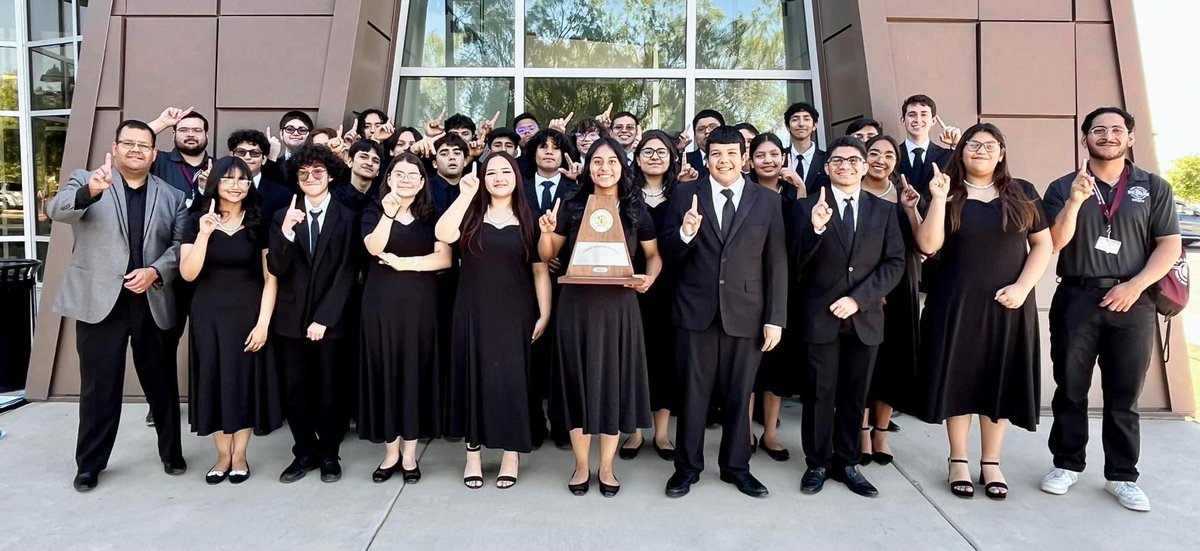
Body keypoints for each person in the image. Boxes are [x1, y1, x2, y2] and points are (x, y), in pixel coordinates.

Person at [1040, 107, 1181, 512]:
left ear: (1130, 138)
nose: (1108, 136)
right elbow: (1055, 242)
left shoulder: (1152, 187)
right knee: (1070, 387)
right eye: (1098, 130)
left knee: (1124, 392)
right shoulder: (1063, 185)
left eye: (1116, 130)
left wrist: (1135, 286)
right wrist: (1074, 202)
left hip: (1134, 300)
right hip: (1077, 296)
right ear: (1084, 139)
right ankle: (1067, 463)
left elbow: (1169, 245)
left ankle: (1122, 475)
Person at [46, 120, 189, 491]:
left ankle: (171, 453)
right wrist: (90, 192)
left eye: (144, 145)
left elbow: (180, 246)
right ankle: (90, 465)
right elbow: (56, 209)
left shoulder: (172, 195)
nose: (136, 149)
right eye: (129, 142)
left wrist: (156, 272)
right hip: (100, 301)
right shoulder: (88, 179)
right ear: (115, 147)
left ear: (154, 154)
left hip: (151, 301)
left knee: (161, 384)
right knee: (99, 386)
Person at [912, 124, 1052, 500]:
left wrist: (1024, 288)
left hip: (1008, 304)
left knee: (998, 380)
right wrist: (938, 199)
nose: (980, 151)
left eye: (989, 146)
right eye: (973, 145)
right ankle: (958, 458)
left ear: (1002, 152)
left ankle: (991, 461)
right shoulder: (946, 190)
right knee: (959, 378)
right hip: (955, 303)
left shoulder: (1022, 192)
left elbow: (1043, 244)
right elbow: (927, 246)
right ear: (961, 151)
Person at [661, 126, 788, 499]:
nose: (724, 161)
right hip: (694, 312)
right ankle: (686, 467)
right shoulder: (685, 194)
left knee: (739, 394)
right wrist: (685, 232)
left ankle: (736, 467)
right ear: (706, 155)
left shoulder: (766, 200)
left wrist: (775, 317)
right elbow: (669, 254)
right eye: (716, 153)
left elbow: (776, 262)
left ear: (744, 157)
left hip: (746, 313)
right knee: (692, 394)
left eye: (732, 153)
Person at [538, 137, 661, 497]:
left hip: (620, 309)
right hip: (575, 307)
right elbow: (547, 255)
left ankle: (606, 467)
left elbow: (653, 256)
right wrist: (546, 234)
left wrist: (648, 278)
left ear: (623, 167)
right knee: (578, 385)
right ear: (587, 166)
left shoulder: (636, 209)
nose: (604, 168)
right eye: (596, 161)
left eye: (611, 162)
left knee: (613, 385)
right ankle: (580, 465)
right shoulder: (572, 206)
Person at [793, 136, 905, 498]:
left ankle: (848, 462)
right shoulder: (806, 207)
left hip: (864, 317)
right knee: (818, 394)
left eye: (853, 160)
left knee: (856, 395)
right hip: (819, 317)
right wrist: (816, 228)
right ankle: (818, 462)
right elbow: (793, 263)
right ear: (826, 168)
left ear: (864, 165)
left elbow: (895, 263)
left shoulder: (885, 210)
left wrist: (859, 300)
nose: (846, 166)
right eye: (838, 160)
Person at [436, 152, 552, 490]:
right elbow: (443, 233)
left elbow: (540, 268)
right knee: (473, 379)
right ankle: (472, 453)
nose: (498, 177)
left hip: (516, 312)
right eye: (491, 173)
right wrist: (466, 193)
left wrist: (544, 312)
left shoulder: (529, 218)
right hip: (472, 310)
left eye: (505, 171)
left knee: (511, 382)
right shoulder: (471, 213)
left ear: (517, 176)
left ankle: (510, 453)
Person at [179, 156, 283, 485]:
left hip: (248, 313)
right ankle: (222, 455)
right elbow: (187, 273)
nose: (237, 186)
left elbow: (271, 279)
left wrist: (264, 323)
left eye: (243, 180)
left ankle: (240, 455)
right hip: (208, 313)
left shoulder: (258, 223)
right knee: (214, 380)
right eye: (229, 179)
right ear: (216, 183)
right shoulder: (195, 220)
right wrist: (205, 235)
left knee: (243, 383)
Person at [359, 153, 452, 483]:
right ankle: (390, 454)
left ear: (424, 181)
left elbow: (444, 258)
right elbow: (373, 247)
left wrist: (405, 263)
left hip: (421, 306)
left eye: (414, 174)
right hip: (381, 305)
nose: (406, 178)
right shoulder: (373, 210)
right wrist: (389, 213)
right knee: (386, 373)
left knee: (414, 374)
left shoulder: (432, 215)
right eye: (399, 173)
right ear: (388, 178)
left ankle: (410, 455)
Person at [268, 145, 357, 484]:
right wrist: (286, 232)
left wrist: (325, 318)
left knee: (331, 391)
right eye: (303, 173)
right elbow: (276, 266)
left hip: (331, 321)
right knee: (296, 390)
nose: (310, 178)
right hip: (290, 320)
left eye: (318, 171)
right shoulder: (282, 215)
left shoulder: (346, 215)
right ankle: (304, 451)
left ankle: (330, 453)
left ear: (331, 175)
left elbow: (347, 271)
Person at [859, 135, 923, 466]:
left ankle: (881, 432)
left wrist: (912, 210)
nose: (880, 159)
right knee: (864, 364)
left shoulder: (905, 195)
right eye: (874, 153)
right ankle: (862, 430)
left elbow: (925, 245)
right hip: (861, 290)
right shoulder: (852, 192)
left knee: (893, 364)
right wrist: (869, 291)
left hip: (901, 288)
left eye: (888, 155)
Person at [619, 131, 682, 462]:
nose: (655, 157)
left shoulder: (684, 195)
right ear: (637, 157)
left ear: (672, 157)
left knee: (665, 358)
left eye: (662, 151)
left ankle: (660, 433)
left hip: (672, 288)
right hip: (630, 288)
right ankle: (635, 431)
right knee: (635, 356)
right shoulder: (625, 197)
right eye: (648, 151)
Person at [746, 132, 803, 461]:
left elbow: (807, 236)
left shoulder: (794, 195)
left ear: (784, 157)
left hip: (786, 287)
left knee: (777, 366)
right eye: (761, 155)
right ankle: (744, 431)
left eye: (774, 154)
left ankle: (770, 433)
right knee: (749, 365)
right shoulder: (746, 194)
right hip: (750, 287)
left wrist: (803, 190)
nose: (768, 160)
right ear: (750, 161)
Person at [521, 127, 579, 449]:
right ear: (533, 154)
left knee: (563, 358)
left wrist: (559, 255)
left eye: (555, 148)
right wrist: (541, 255)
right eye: (542, 147)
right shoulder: (520, 188)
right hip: (526, 283)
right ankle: (532, 423)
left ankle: (562, 426)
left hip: (567, 282)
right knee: (530, 356)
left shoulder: (575, 190)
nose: (548, 152)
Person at [897, 94, 959, 199]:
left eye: (924, 114)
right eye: (912, 115)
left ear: (933, 121)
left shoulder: (948, 155)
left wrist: (956, 145)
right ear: (903, 120)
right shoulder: (893, 155)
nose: (918, 120)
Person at [148, 107, 213, 203]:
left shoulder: (219, 166)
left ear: (206, 136)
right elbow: (130, 143)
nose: (190, 134)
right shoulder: (156, 160)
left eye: (197, 130)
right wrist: (161, 123)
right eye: (183, 130)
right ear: (174, 135)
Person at [227, 128, 292, 223]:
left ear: (264, 159)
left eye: (254, 153)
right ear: (231, 155)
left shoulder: (282, 194)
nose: (247, 157)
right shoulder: (221, 188)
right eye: (241, 152)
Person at [783, 102, 828, 195]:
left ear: (814, 125)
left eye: (806, 119)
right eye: (795, 120)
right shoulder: (780, 158)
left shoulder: (826, 159)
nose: (801, 124)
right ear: (788, 127)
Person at [266, 110, 314, 183]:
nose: (295, 133)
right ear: (281, 133)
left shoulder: (316, 164)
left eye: (302, 130)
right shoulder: (273, 163)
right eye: (290, 129)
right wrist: (271, 158)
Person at [427, 134, 470, 213]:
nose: (451, 157)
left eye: (457, 153)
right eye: (444, 154)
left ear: (465, 161)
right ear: (435, 163)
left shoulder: (471, 188)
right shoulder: (425, 188)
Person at [685, 109, 725, 173]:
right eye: (701, 129)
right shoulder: (684, 161)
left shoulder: (735, 158)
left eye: (712, 127)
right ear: (695, 135)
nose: (707, 131)